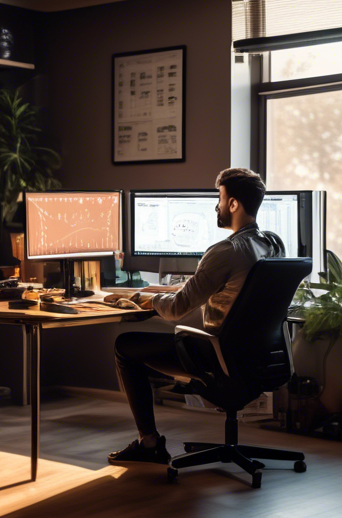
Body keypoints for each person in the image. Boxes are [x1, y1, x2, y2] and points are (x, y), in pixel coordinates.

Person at [104, 168, 285, 465]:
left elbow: (177, 309)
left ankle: (149, 443)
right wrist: (155, 289)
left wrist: (135, 297)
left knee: (125, 346)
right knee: (137, 341)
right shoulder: (272, 244)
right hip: (259, 356)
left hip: (219, 356)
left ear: (234, 204)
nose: (217, 205)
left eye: (220, 197)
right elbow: (215, 289)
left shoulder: (224, 250)